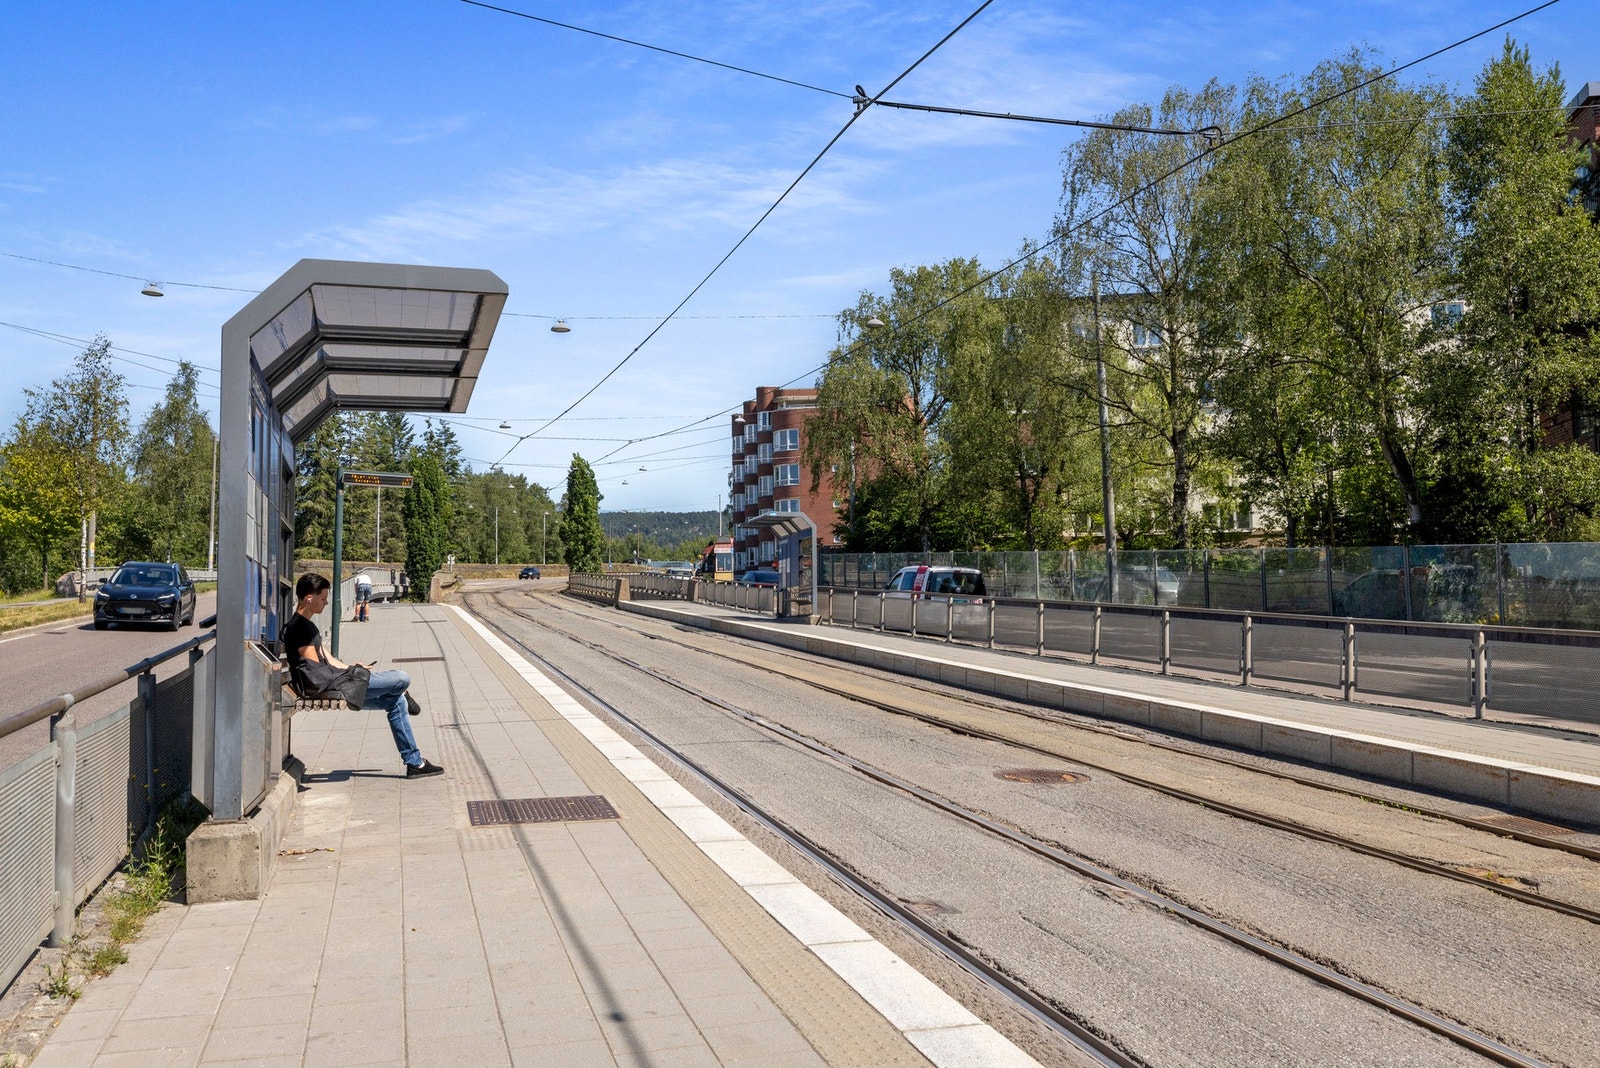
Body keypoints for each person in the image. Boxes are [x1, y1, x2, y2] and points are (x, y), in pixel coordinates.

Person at [282, 573, 443, 779]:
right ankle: (402, 690)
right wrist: (350, 674)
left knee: (397, 703)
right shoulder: (299, 628)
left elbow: (327, 659)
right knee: (402, 677)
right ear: (309, 598)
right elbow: (315, 669)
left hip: (332, 682)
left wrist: (351, 667)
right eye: (323, 598)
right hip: (328, 687)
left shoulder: (307, 625)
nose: (326, 602)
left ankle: (415, 763)